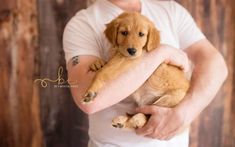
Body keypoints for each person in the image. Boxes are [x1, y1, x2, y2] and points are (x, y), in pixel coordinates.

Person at [63, 0, 228, 146]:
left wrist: (187, 111)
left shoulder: (171, 10)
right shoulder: (83, 23)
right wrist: (161, 53)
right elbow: (89, 101)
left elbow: (215, 63)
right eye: (124, 33)